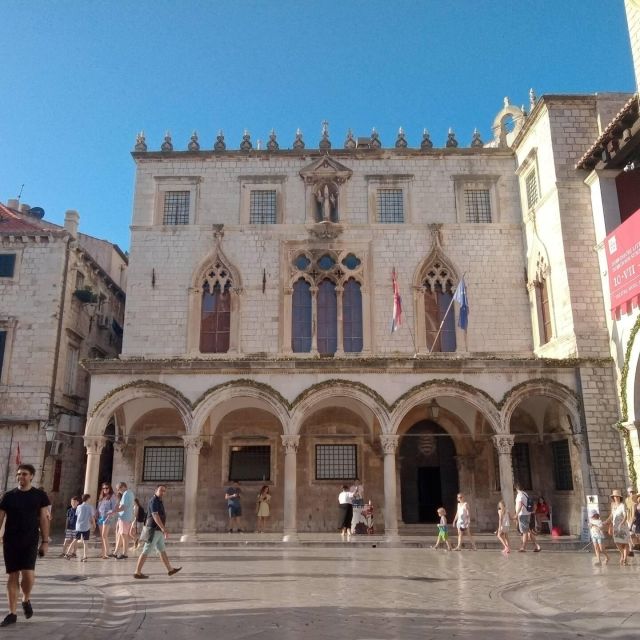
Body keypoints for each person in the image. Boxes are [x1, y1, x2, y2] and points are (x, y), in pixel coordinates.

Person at [0, 463, 51, 627]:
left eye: (24, 474)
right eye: (19, 474)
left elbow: (43, 519)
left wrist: (45, 541)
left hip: (30, 540)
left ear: (31, 476)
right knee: (13, 575)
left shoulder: (39, 495)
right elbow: (0, 518)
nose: (21, 477)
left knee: (28, 575)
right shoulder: (8, 496)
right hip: (10, 540)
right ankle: (12, 613)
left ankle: (26, 598)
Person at [133, 485, 182, 579]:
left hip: (158, 531)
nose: (162, 492)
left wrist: (162, 529)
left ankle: (170, 570)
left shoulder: (159, 501)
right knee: (146, 550)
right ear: (156, 490)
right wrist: (163, 528)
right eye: (161, 490)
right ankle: (137, 572)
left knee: (162, 550)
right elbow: (155, 515)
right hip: (153, 530)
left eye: (164, 491)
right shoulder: (153, 501)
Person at [604, 489, 631, 566]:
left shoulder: (623, 505)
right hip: (615, 526)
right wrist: (606, 521)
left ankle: (625, 559)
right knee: (617, 542)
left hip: (623, 526)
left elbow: (625, 515)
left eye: (617, 496)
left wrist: (622, 523)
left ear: (619, 497)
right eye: (614, 496)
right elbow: (611, 515)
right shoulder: (612, 505)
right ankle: (622, 554)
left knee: (625, 543)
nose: (615, 497)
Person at [66, 494, 95, 562]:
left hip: (78, 526)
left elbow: (77, 514)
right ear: (88, 499)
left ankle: (67, 553)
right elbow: (92, 517)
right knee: (85, 542)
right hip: (86, 527)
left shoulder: (79, 506)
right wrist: (94, 524)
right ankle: (85, 556)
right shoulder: (90, 507)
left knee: (74, 540)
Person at [110, 482, 135, 559]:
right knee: (121, 535)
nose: (118, 491)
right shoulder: (129, 493)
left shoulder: (126, 494)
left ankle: (125, 553)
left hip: (125, 517)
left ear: (123, 487)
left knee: (124, 535)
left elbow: (124, 506)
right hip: (125, 517)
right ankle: (115, 552)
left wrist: (114, 511)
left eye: (118, 489)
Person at [515, 484, 540, 552]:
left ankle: (523, 547)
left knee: (525, 532)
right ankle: (537, 546)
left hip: (523, 515)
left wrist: (516, 514)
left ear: (516, 488)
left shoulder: (519, 495)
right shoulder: (525, 494)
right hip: (527, 514)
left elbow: (520, 505)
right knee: (528, 531)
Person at [96, 483, 117, 559]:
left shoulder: (112, 496)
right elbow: (99, 507)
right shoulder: (102, 497)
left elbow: (114, 508)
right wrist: (96, 513)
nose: (105, 489)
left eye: (107, 488)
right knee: (102, 536)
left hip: (107, 517)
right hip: (100, 517)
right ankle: (103, 553)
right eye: (104, 488)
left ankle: (107, 553)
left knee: (104, 535)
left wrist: (109, 516)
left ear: (110, 488)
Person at [624, 486, 636, 557]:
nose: (631, 493)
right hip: (628, 519)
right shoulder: (626, 500)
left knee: (632, 535)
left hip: (634, 520)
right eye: (630, 492)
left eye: (632, 492)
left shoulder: (636, 499)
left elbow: (634, 513)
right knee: (629, 535)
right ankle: (631, 550)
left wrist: (632, 521)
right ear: (628, 493)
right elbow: (627, 510)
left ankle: (633, 547)